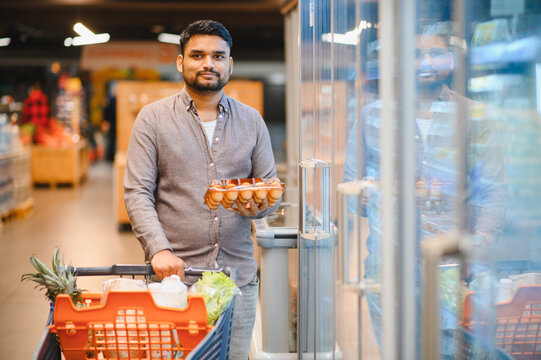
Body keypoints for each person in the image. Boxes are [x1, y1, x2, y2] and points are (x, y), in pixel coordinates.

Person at [343, 21, 507, 353]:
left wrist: (481, 244)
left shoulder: (477, 117)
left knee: (451, 350)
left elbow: (493, 190)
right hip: (387, 263)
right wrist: (388, 191)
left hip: (452, 262)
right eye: (416, 55)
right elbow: (353, 192)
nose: (426, 63)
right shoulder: (371, 117)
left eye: (436, 53)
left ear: (451, 59)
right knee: (399, 350)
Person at [124, 20, 280, 359]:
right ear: (181, 62)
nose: (208, 63)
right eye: (197, 55)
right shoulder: (152, 119)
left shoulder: (252, 121)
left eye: (218, 56)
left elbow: (268, 186)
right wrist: (159, 250)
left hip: (236, 278)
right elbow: (137, 192)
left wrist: (260, 206)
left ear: (229, 64)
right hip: (175, 281)